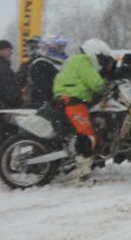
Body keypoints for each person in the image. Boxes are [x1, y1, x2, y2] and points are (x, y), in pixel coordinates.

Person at [52, 38, 116, 177]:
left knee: (92, 128)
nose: (101, 61)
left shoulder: (78, 60)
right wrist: (109, 86)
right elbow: (95, 83)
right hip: (72, 99)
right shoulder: (83, 60)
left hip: (73, 98)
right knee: (87, 134)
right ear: (93, 53)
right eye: (100, 58)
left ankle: (87, 161)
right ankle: (82, 173)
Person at [24, 36, 66, 109]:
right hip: (43, 104)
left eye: (62, 49)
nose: (62, 51)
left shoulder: (50, 63)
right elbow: (46, 86)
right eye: (59, 49)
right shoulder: (41, 63)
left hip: (50, 103)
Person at [0, 40, 19, 109]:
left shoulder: (4, 66)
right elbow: (6, 88)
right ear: (1, 51)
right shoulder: (2, 67)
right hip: (6, 108)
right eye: (9, 49)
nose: (11, 52)